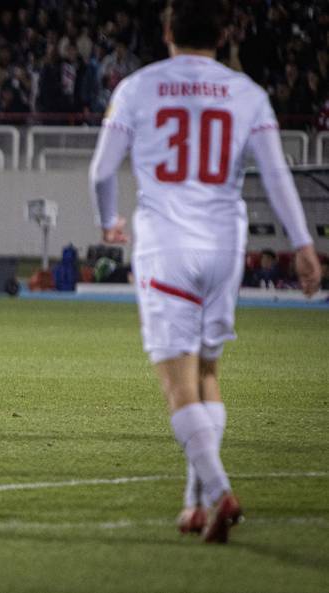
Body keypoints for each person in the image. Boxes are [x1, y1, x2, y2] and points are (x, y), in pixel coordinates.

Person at [89, 0, 321, 544]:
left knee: (178, 384)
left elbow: (101, 169)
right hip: (224, 246)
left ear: (167, 29)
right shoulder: (247, 93)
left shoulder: (139, 87)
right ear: (225, 33)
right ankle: (194, 503)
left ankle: (220, 492)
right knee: (209, 374)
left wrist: (109, 221)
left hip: (168, 245)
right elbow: (277, 174)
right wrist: (303, 244)